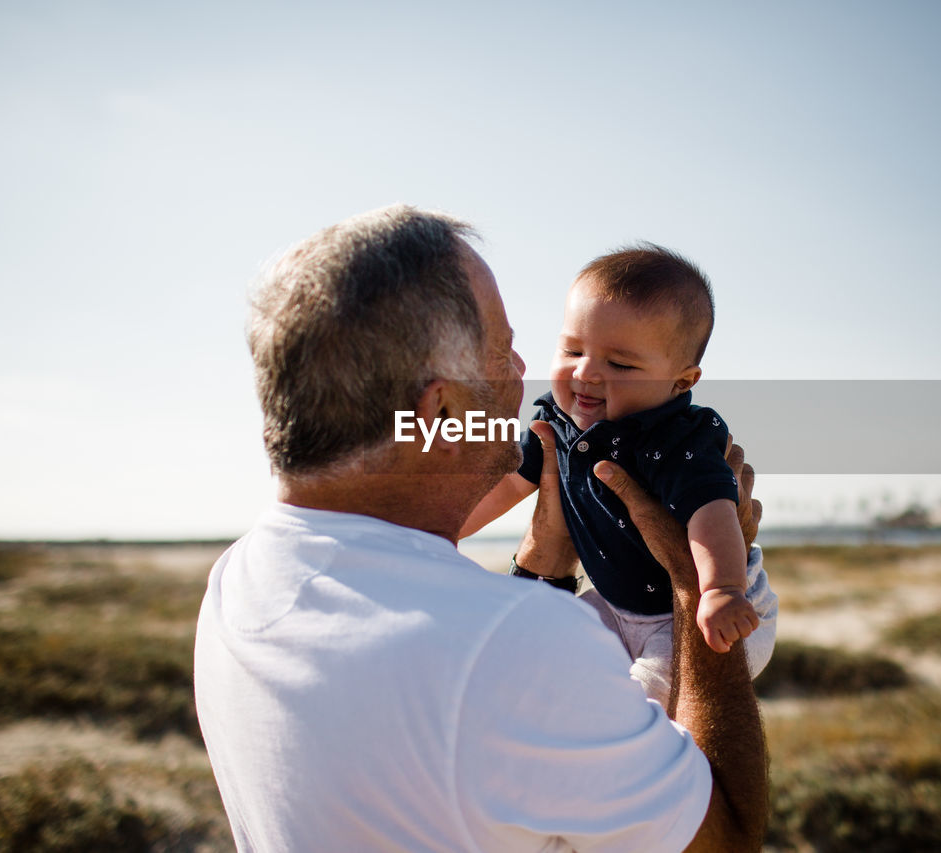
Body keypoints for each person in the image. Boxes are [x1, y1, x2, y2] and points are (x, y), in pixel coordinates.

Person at [194, 205, 769, 852]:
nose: (529, 373)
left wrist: (540, 568)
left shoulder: (238, 579)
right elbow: (728, 840)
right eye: (503, 351)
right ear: (442, 409)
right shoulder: (517, 647)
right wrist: (694, 585)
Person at [461, 244, 778, 703]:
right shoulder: (555, 421)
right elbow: (507, 483)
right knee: (545, 665)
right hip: (614, 603)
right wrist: (443, 533)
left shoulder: (677, 437)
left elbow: (712, 512)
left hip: (699, 609)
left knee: (644, 701)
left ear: (682, 381)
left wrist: (722, 589)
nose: (586, 373)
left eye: (620, 364)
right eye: (572, 350)